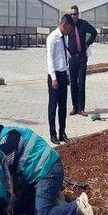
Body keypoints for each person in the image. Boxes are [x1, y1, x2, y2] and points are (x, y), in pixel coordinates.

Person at [0, 119, 94, 215]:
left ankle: (76, 207)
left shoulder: (7, 143)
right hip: (42, 172)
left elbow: (6, 177)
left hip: (48, 172)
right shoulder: (10, 132)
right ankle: (53, 203)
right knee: (19, 207)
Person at [47, 14, 73, 145]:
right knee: (53, 106)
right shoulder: (52, 38)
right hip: (54, 76)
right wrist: (53, 78)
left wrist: (67, 74)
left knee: (63, 106)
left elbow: (64, 57)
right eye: (69, 28)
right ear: (63, 25)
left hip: (63, 74)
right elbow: (50, 59)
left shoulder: (65, 38)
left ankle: (62, 132)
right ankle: (53, 134)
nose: (70, 31)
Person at [68, 5, 97, 116]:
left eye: (74, 14)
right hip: (72, 58)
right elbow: (63, 38)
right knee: (73, 83)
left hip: (81, 58)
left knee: (81, 83)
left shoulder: (83, 24)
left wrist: (87, 43)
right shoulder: (68, 26)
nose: (73, 16)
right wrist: (66, 50)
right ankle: (75, 107)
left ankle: (81, 108)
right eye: (71, 14)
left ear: (78, 14)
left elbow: (94, 32)